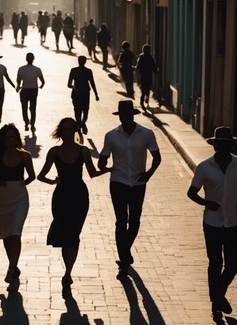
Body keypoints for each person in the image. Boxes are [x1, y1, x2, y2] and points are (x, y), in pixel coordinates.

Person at [187, 126, 237, 319]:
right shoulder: (204, 167)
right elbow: (191, 193)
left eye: (227, 145)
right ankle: (217, 304)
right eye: (220, 145)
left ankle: (218, 296)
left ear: (231, 146)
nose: (223, 148)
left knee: (232, 265)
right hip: (212, 223)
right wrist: (207, 203)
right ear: (214, 146)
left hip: (233, 222)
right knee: (215, 262)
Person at [38, 117, 106, 297]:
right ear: (60, 132)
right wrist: (53, 181)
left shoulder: (83, 151)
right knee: (64, 234)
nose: (68, 132)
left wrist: (110, 169)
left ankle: (67, 273)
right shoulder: (54, 152)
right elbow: (40, 176)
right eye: (65, 129)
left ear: (75, 131)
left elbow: (92, 173)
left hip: (79, 196)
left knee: (74, 234)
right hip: (60, 197)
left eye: (71, 129)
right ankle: (67, 273)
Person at [97, 100, 162, 280]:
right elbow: (103, 158)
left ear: (132, 115)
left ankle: (124, 252)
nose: (125, 118)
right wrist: (103, 164)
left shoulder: (146, 134)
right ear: (120, 116)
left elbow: (157, 157)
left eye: (128, 115)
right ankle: (124, 262)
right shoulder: (111, 136)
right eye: (123, 115)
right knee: (121, 221)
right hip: (118, 182)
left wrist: (148, 175)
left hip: (138, 183)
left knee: (134, 221)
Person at [0, 124, 36, 283]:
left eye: (12, 137)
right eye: (6, 137)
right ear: (2, 140)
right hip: (3, 198)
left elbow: (32, 176)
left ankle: (11, 269)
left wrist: (20, 183)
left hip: (20, 197)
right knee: (6, 234)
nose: (10, 140)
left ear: (17, 139)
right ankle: (14, 265)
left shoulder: (25, 155)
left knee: (15, 233)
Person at [67, 56, 99, 135]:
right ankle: (82, 123)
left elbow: (69, 84)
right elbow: (92, 83)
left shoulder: (74, 70)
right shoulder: (88, 71)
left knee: (77, 109)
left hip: (76, 93)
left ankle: (79, 124)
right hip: (85, 93)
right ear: (85, 62)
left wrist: (74, 87)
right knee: (85, 109)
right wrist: (96, 94)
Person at [16, 52, 46, 133]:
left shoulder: (21, 69)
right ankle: (32, 125)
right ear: (33, 59)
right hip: (33, 90)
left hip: (24, 90)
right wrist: (41, 86)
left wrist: (18, 86)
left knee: (24, 108)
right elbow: (43, 81)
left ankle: (26, 122)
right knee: (33, 108)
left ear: (26, 59)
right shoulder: (37, 69)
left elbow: (18, 80)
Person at [135, 44, 159, 108]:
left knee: (143, 88)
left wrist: (135, 68)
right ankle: (147, 98)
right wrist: (156, 71)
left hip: (142, 75)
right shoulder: (151, 58)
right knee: (148, 87)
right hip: (149, 75)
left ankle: (142, 101)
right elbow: (154, 67)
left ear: (143, 50)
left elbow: (138, 66)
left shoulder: (141, 57)